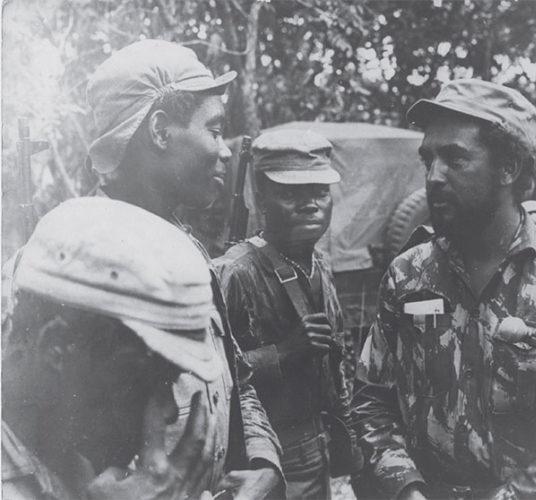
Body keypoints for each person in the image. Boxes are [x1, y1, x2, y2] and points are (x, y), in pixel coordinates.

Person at [352, 79, 536, 499]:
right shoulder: (408, 275)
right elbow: (371, 399)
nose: (433, 176)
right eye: (428, 159)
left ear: (508, 168)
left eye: (455, 159)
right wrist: (406, 488)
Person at [85, 39, 282, 498]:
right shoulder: (77, 264)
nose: (226, 150)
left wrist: (264, 461)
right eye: (214, 130)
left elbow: (233, 373)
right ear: (160, 131)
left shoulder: (184, 244)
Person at [2, 197, 223, 499]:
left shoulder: (70, 447)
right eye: (137, 382)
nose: (169, 413)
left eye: (171, 381)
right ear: (56, 347)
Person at [215, 129, 355, 499]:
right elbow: (214, 376)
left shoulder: (319, 265)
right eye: (291, 193)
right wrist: (284, 352)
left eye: (319, 192)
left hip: (319, 452)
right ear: (261, 196)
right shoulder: (236, 272)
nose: (310, 204)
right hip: (263, 465)